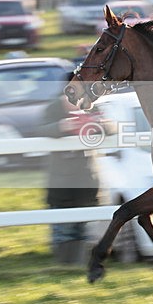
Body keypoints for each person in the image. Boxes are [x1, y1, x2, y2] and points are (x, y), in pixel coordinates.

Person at [34, 73, 106, 264]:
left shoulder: (90, 107)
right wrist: (61, 126)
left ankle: (80, 266)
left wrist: (98, 125)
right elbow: (39, 130)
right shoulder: (53, 108)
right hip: (61, 185)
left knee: (86, 233)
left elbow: (113, 127)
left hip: (87, 183)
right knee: (64, 233)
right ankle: (65, 267)